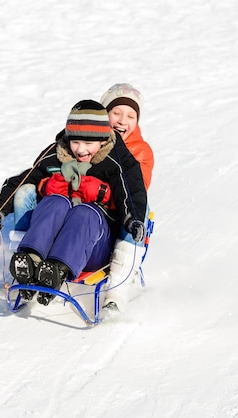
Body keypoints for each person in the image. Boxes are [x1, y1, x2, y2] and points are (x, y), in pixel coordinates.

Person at [0, 100, 148, 306]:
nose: (80, 150)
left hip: (94, 246)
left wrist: (133, 220)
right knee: (54, 202)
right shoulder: (56, 154)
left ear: (102, 140)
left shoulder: (116, 161)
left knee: (85, 213)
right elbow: (25, 178)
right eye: (75, 142)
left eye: (88, 144)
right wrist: (0, 210)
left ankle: (56, 270)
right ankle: (30, 259)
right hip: (52, 238)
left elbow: (132, 192)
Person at [99, 83, 154, 311]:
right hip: (90, 214)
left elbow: (135, 190)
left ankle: (118, 286)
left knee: (139, 206)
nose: (123, 120)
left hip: (119, 216)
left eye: (131, 115)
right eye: (117, 113)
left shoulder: (141, 151)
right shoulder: (85, 141)